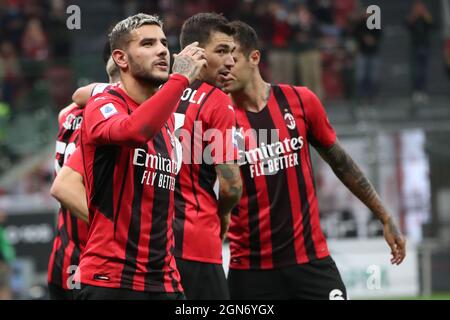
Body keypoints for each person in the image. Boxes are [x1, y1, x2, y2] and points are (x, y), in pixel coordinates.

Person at [222, 21, 406, 300]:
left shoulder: (300, 100)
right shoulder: (217, 117)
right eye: (220, 57)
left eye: (231, 57)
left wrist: (385, 215)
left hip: (310, 262)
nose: (224, 66)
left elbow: (341, 163)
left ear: (254, 57)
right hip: (250, 270)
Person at [73, 13, 206, 300]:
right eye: (147, 43)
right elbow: (133, 131)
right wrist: (180, 78)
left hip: (165, 281)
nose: (161, 49)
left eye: (162, 42)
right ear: (121, 59)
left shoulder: (166, 120)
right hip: (111, 280)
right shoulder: (104, 104)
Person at [172, 12, 242, 300]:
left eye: (233, 52)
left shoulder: (154, 91)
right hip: (196, 240)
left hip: (152, 243)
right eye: (221, 51)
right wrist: (224, 212)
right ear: (196, 53)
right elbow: (232, 185)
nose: (230, 61)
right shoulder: (217, 102)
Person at [47, 51, 121, 300]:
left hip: (62, 258)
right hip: (95, 262)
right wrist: (118, 230)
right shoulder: (107, 125)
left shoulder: (67, 116)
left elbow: (74, 101)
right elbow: (63, 188)